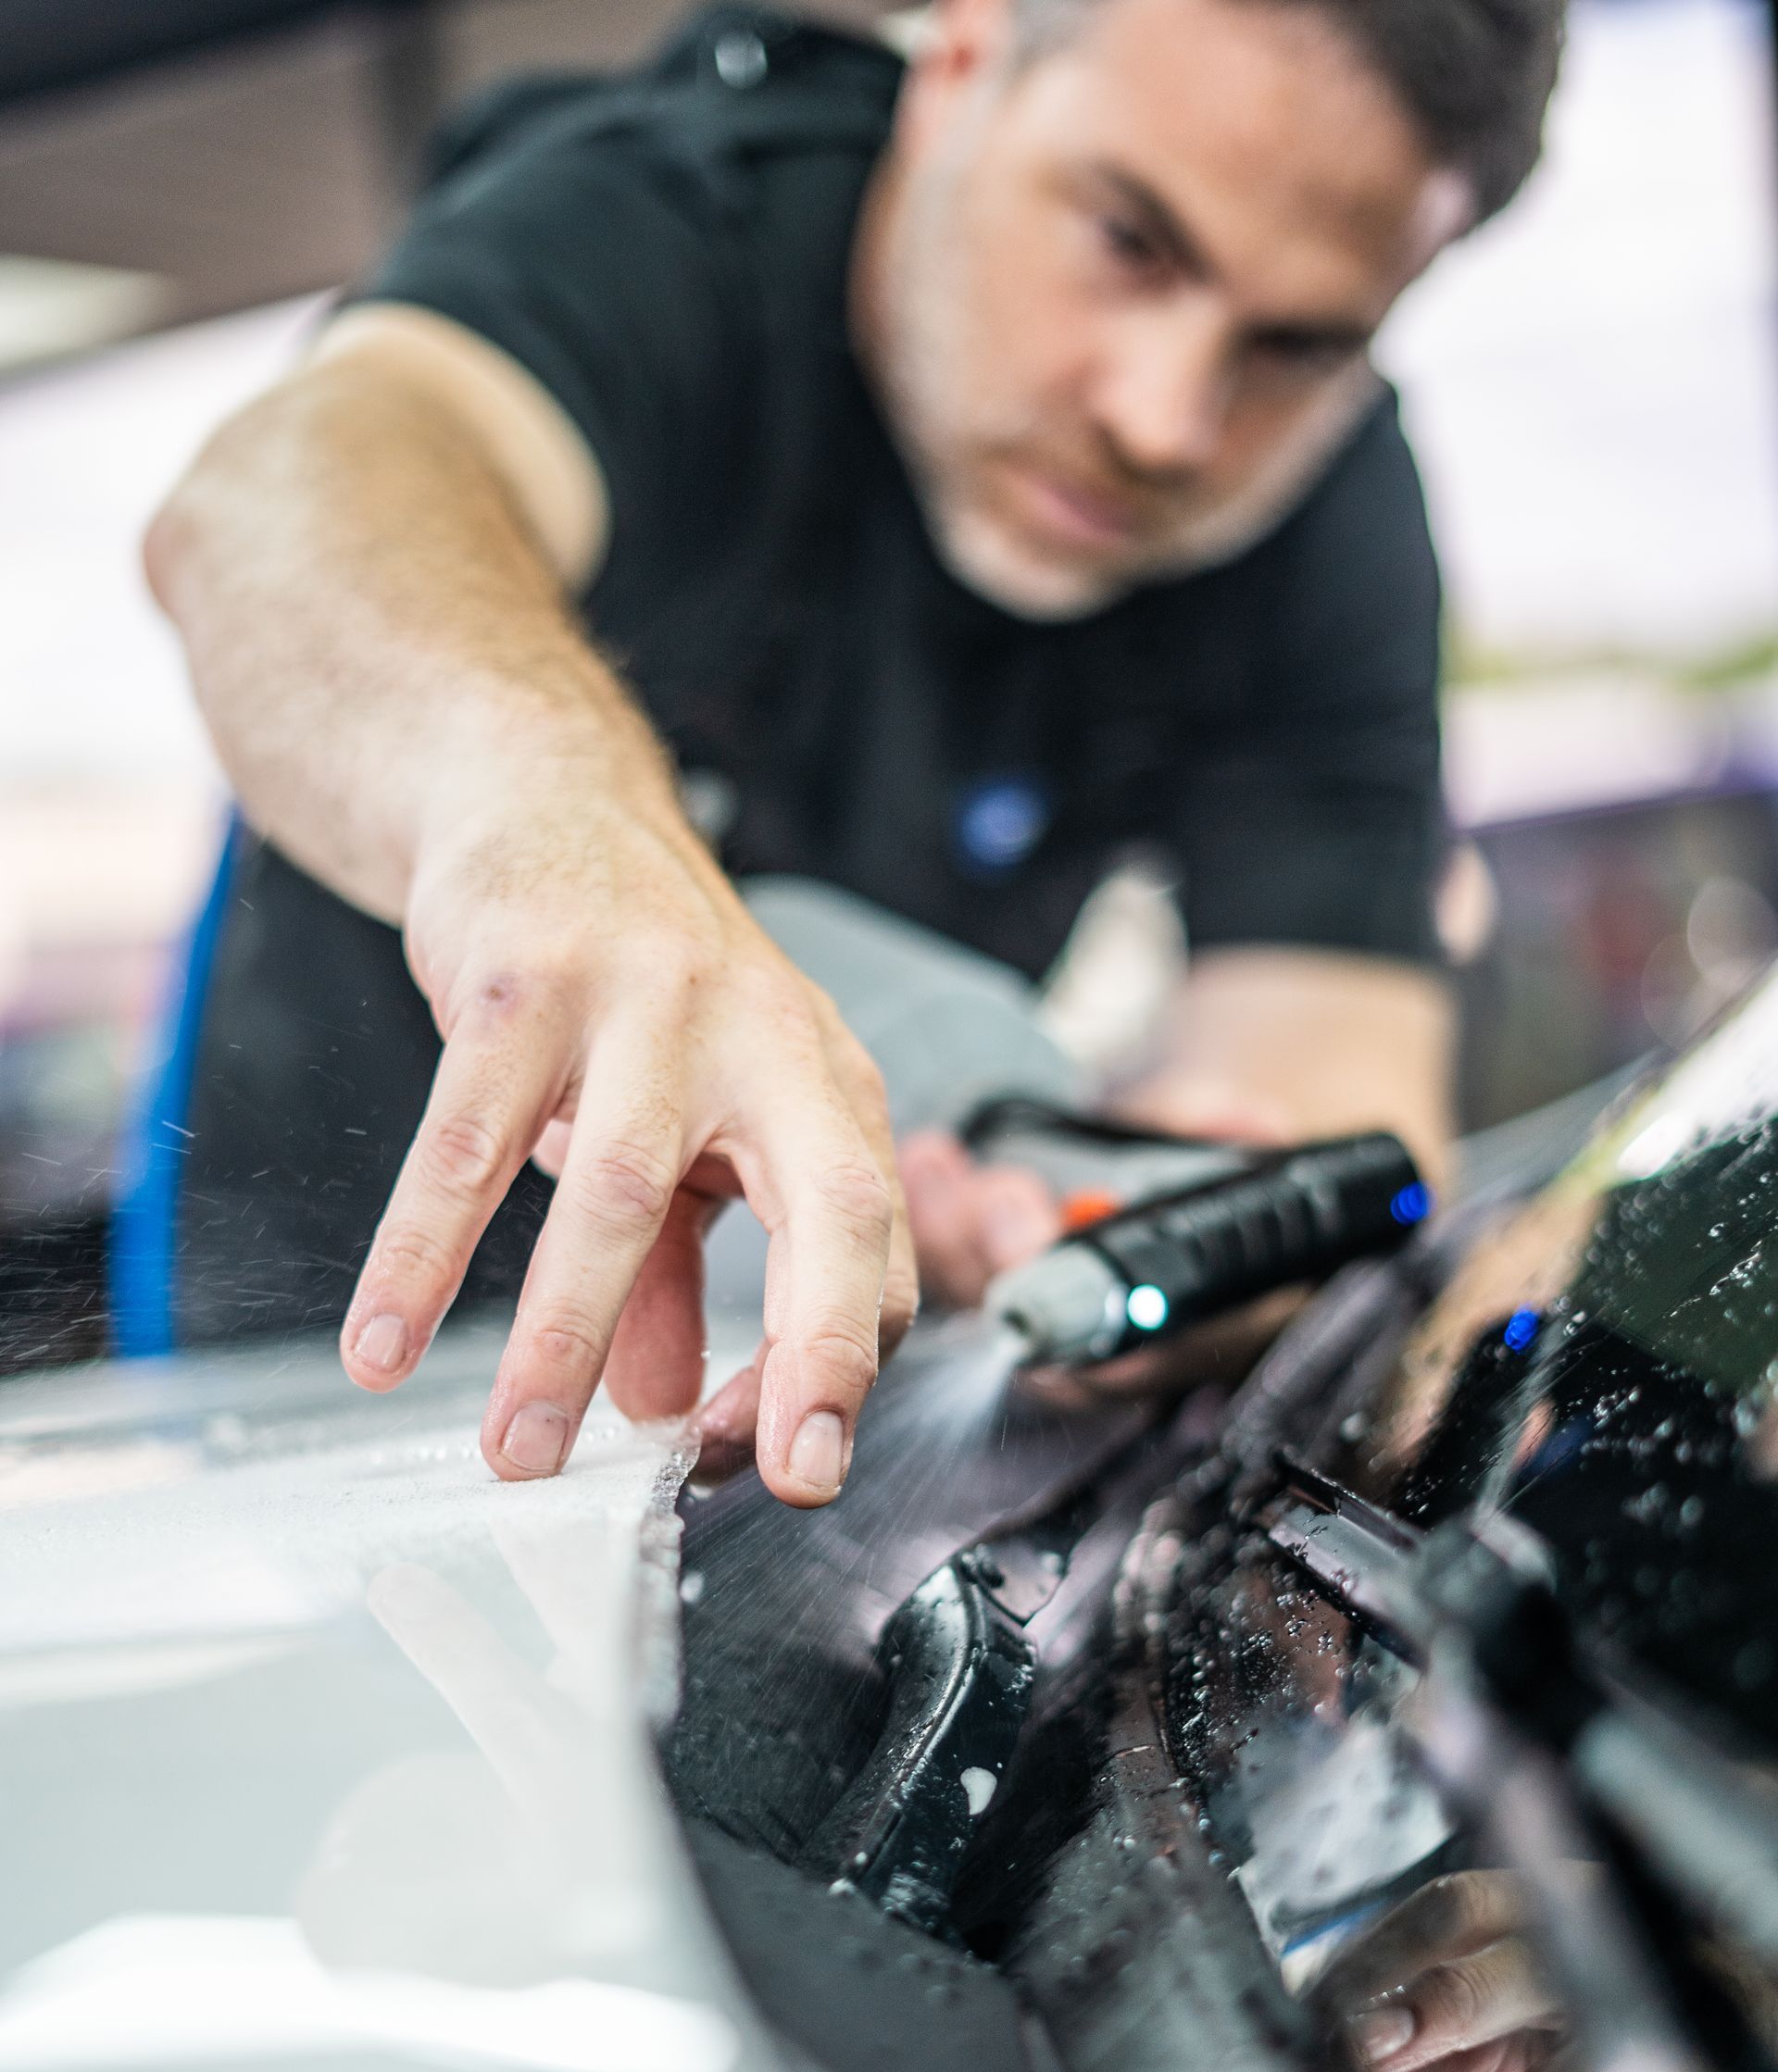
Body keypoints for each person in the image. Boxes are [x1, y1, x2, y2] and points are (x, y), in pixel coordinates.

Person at [143, 0, 1564, 1504]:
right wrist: (553, 824)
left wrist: (1126, 1241)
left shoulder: (1326, 510)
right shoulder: (669, 213)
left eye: (1295, 344)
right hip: (317, 1375)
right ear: (961, 60)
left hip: (781, 1456)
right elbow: (278, 500)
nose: (1166, 422)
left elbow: (1338, 1113)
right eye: (1130, 241)